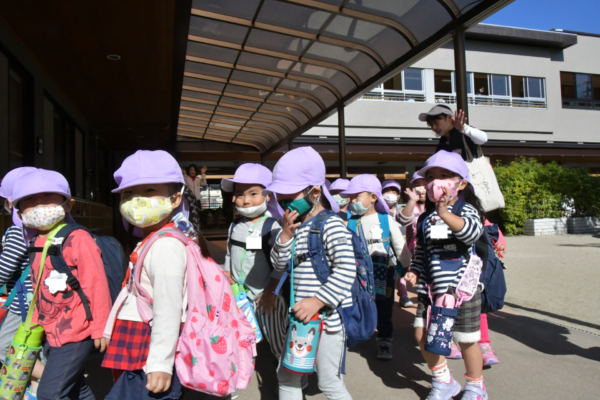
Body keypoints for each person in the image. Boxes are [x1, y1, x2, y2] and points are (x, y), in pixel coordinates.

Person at [12, 169, 112, 400]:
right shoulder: (35, 240)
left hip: (76, 331)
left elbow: (96, 283)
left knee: (49, 393)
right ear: (19, 211)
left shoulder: (77, 238)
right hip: (50, 330)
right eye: (29, 198)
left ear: (68, 204)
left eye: (47, 195)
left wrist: (101, 327)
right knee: (76, 388)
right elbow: (38, 287)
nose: (38, 202)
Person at [266, 146, 355, 400]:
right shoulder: (294, 226)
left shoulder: (331, 224)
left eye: (289, 196)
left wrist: (317, 300)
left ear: (315, 192)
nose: (284, 204)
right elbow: (279, 265)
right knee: (288, 376)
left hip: (326, 322)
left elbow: (346, 268)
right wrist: (285, 237)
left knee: (329, 382)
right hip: (299, 320)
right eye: (280, 198)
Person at [102, 150, 190, 399]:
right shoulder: (153, 239)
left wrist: (161, 363)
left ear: (175, 199)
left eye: (149, 190)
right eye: (128, 193)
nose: (137, 200)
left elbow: (169, 306)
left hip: (148, 344)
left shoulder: (165, 245)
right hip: (141, 338)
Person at [404, 150, 488, 400]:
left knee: (466, 340)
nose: (436, 182)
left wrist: (445, 214)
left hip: (461, 289)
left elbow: (471, 233)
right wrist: (414, 270)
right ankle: (444, 381)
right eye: (431, 177)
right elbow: (422, 250)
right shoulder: (424, 218)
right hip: (430, 289)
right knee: (422, 334)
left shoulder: (466, 210)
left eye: (444, 175)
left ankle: (476, 387)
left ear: (461, 184)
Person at [221, 163, 285, 359]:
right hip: (240, 296)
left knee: (276, 338)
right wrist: (228, 276)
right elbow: (229, 253)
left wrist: (270, 292)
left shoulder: (272, 227)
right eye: (240, 194)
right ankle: (243, 369)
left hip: (266, 297)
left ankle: (286, 372)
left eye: (253, 194)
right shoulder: (234, 226)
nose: (246, 200)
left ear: (269, 196)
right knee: (241, 337)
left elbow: (281, 264)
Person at [343, 175, 405, 360]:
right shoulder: (350, 222)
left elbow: (400, 246)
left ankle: (384, 339)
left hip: (384, 272)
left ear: (373, 197)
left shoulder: (386, 220)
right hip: (359, 274)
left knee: (384, 306)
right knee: (359, 303)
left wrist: (409, 268)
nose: (352, 201)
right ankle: (359, 332)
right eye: (351, 197)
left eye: (357, 196)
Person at [0, 167, 36, 365]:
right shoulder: (42, 228)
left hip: (23, 301)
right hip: (37, 297)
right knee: (32, 346)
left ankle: (46, 378)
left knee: (5, 348)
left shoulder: (18, 231)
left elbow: (4, 269)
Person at [381, 180, 413, 308]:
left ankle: (403, 295)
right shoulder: (378, 212)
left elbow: (407, 221)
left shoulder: (401, 211)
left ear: (398, 196)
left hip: (401, 246)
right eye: (387, 191)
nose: (390, 194)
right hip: (385, 246)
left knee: (401, 272)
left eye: (393, 192)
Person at [418, 106, 487, 161]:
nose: (433, 128)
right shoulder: (442, 142)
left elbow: (484, 138)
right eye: (431, 125)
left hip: (473, 174)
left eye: (436, 122)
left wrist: (464, 128)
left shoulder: (464, 133)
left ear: (449, 117)